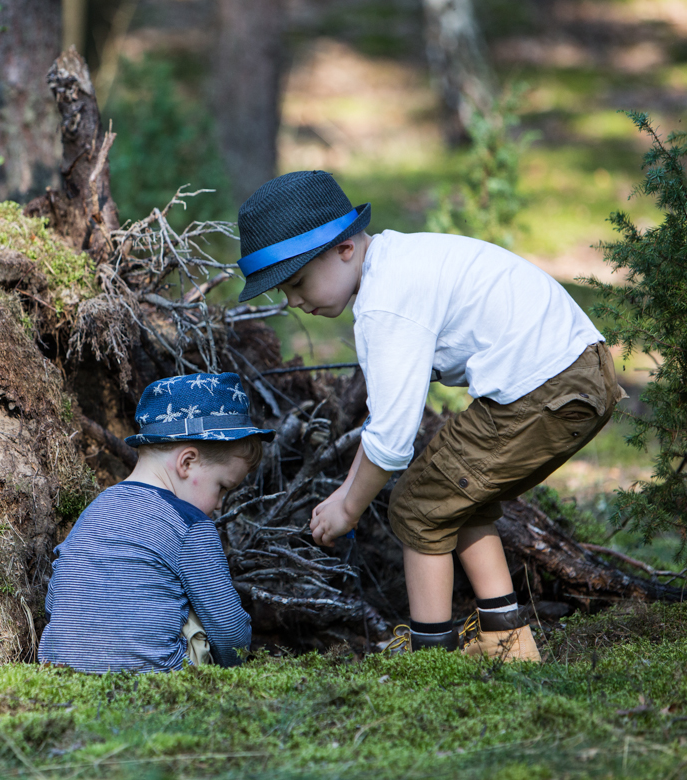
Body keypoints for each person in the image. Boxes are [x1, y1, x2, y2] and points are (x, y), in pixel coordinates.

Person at [233, 170, 623, 662]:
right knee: (455, 495)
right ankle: (507, 641)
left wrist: (348, 508)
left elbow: (392, 443)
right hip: (575, 373)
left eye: (296, 282)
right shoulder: (395, 266)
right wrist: (345, 491)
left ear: (344, 249)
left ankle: (428, 657)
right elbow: (383, 424)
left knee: (417, 505)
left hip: (548, 386)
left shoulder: (385, 305)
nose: (291, 300)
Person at [37, 372, 272, 673]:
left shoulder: (94, 511)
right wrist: (235, 670)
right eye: (222, 488)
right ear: (187, 462)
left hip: (59, 675)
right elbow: (229, 629)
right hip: (157, 687)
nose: (219, 504)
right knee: (198, 610)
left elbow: (57, 599)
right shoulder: (189, 524)